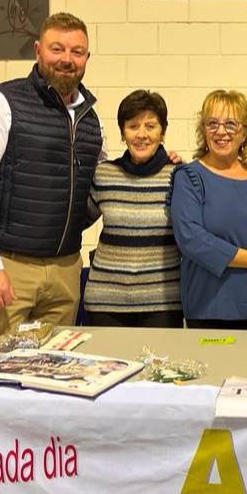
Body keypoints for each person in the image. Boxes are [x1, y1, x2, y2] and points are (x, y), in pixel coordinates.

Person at [0, 12, 103, 353]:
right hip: (8, 267)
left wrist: (165, 162)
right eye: (57, 49)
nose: (67, 59)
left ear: (87, 58)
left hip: (65, 271)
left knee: (52, 377)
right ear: (38, 50)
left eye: (77, 52)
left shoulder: (91, 121)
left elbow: (104, 182)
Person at [169, 89, 247, 330]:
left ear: (245, 131)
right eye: (212, 123)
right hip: (211, 307)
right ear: (203, 130)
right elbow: (191, 239)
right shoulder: (190, 177)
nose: (221, 131)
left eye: (231, 124)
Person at [82, 90, 183, 328]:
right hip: (105, 302)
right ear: (122, 132)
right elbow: (77, 221)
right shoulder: (104, 174)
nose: (142, 135)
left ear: (163, 131)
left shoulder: (179, 176)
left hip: (162, 302)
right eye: (133, 126)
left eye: (150, 126)